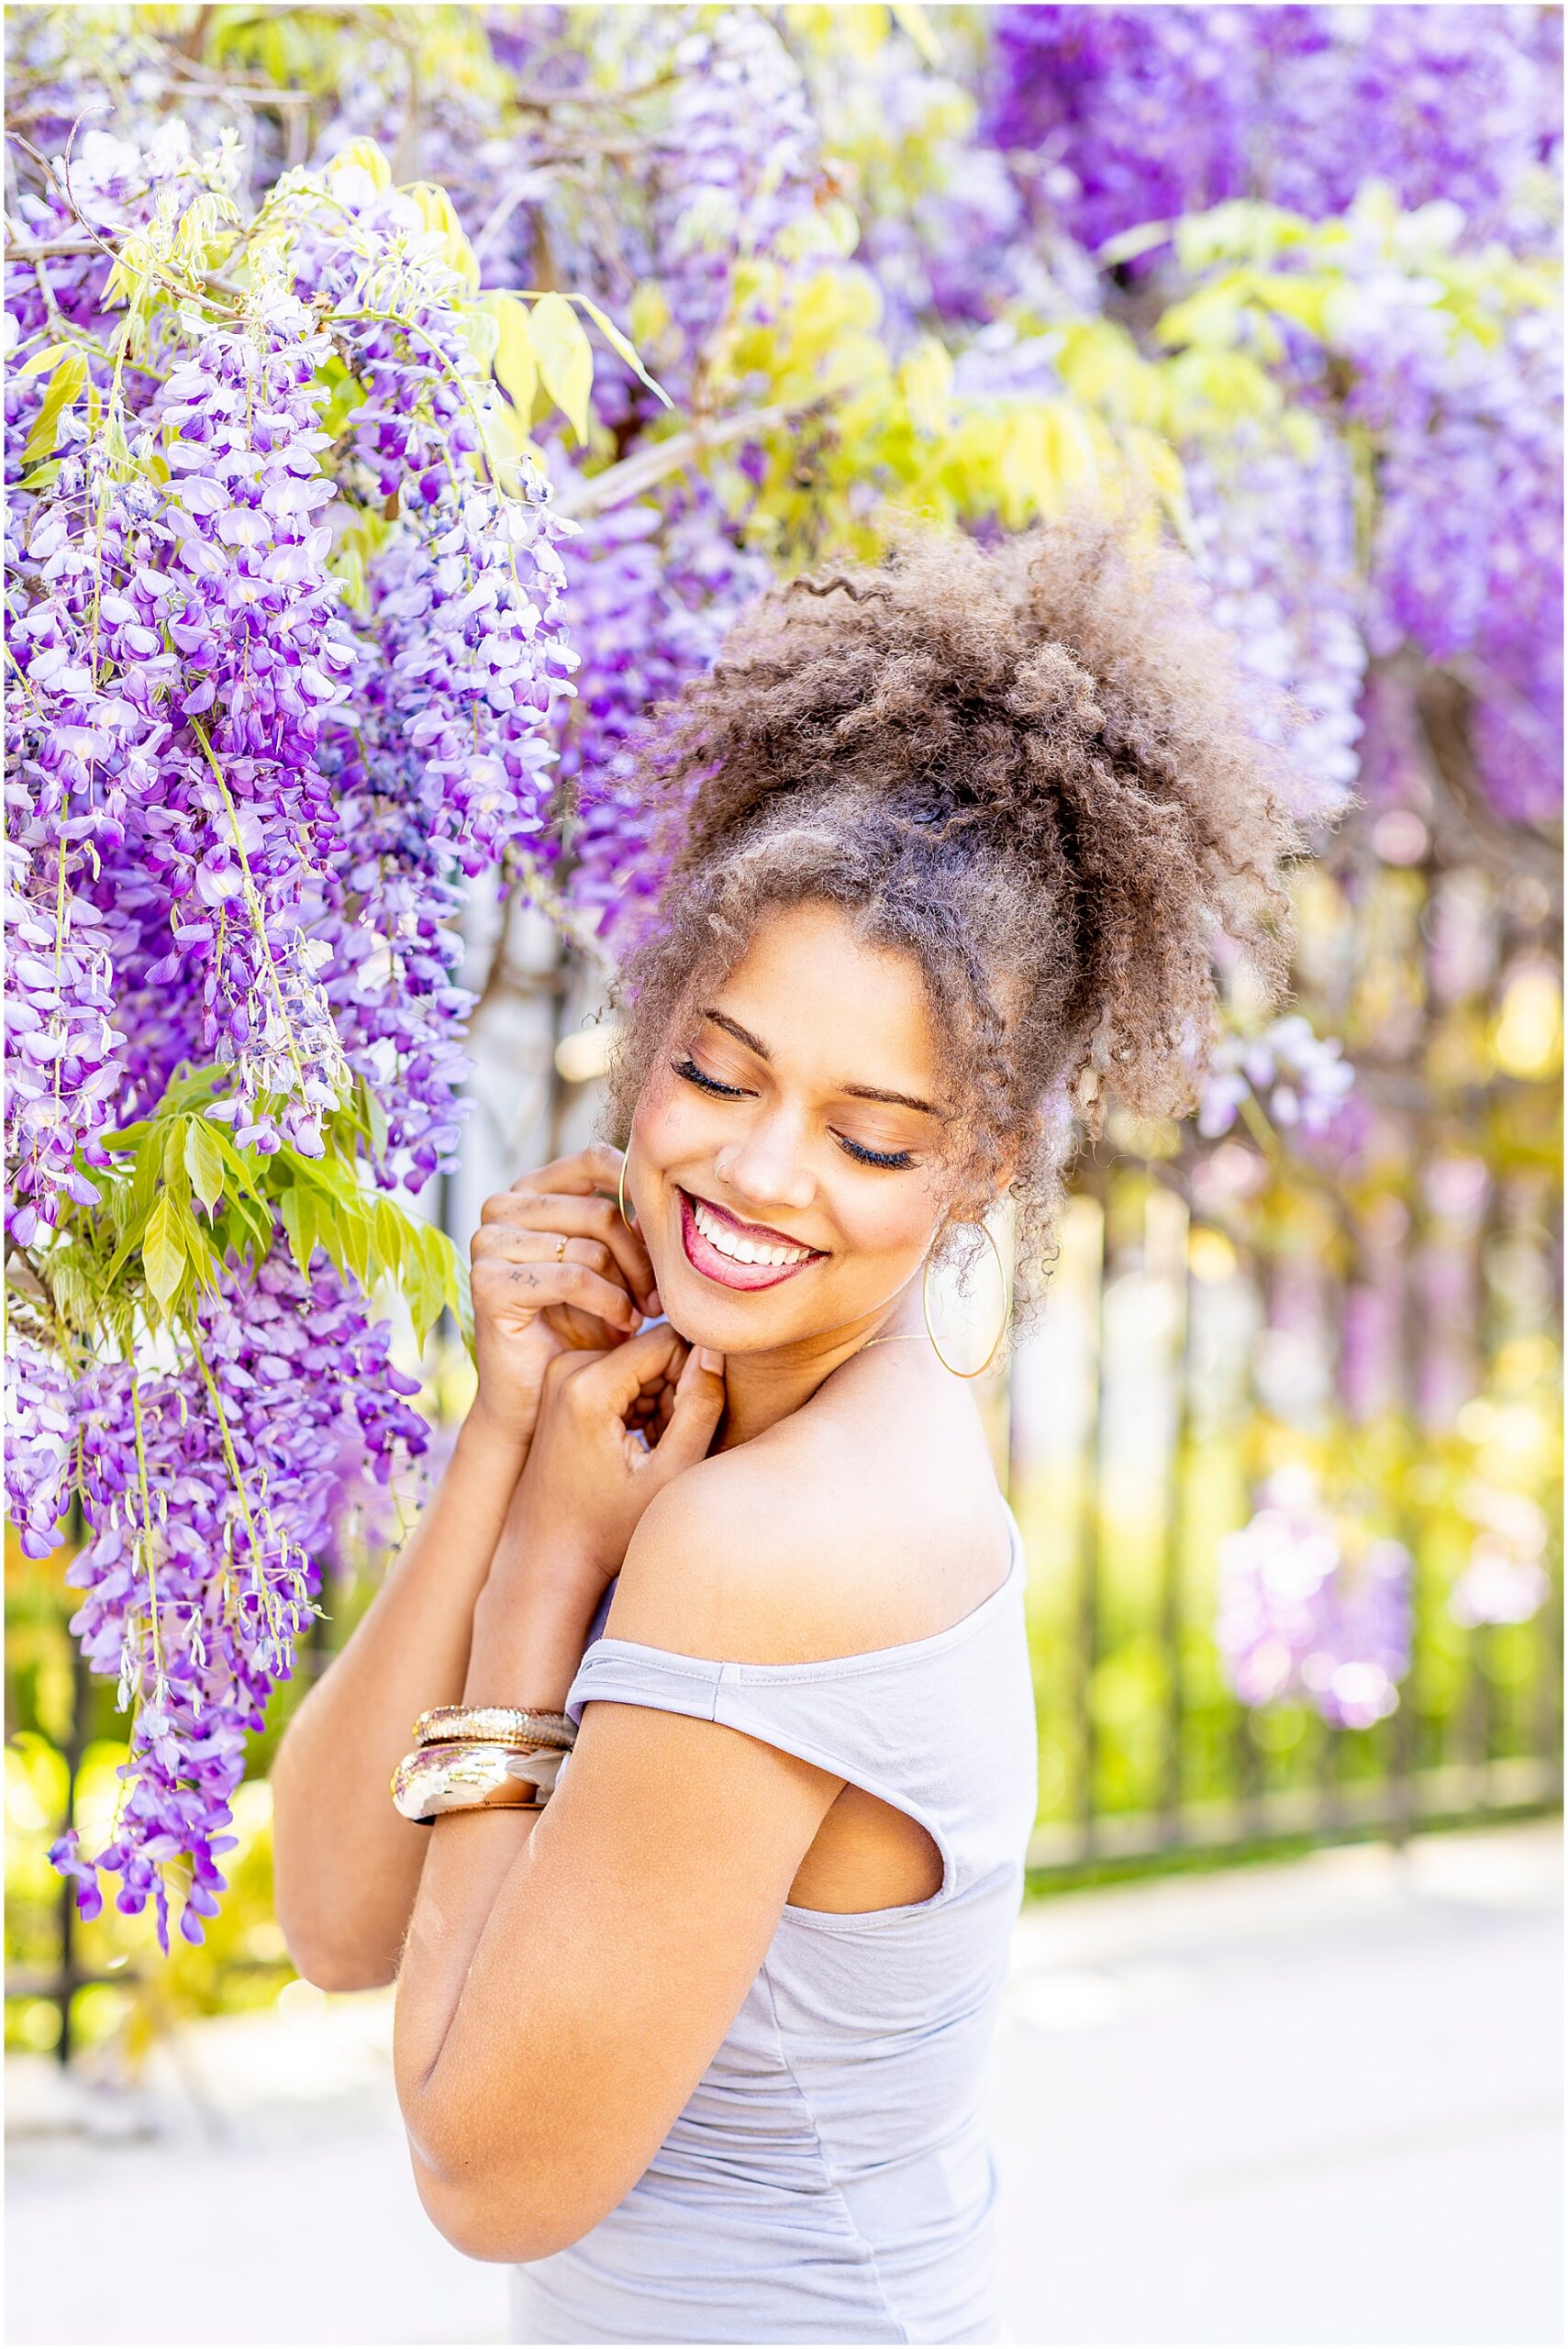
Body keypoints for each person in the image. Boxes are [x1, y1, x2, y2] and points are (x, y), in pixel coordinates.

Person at [272, 509, 1299, 2345]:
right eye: (719, 1070)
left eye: (870, 1133)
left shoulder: (786, 1539)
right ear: (650, 1025)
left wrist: (558, 1561)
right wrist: (506, 1437)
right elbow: (340, 1908)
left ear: (984, 1160)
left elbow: (485, 2169)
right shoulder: (685, 1417)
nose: (756, 1170)